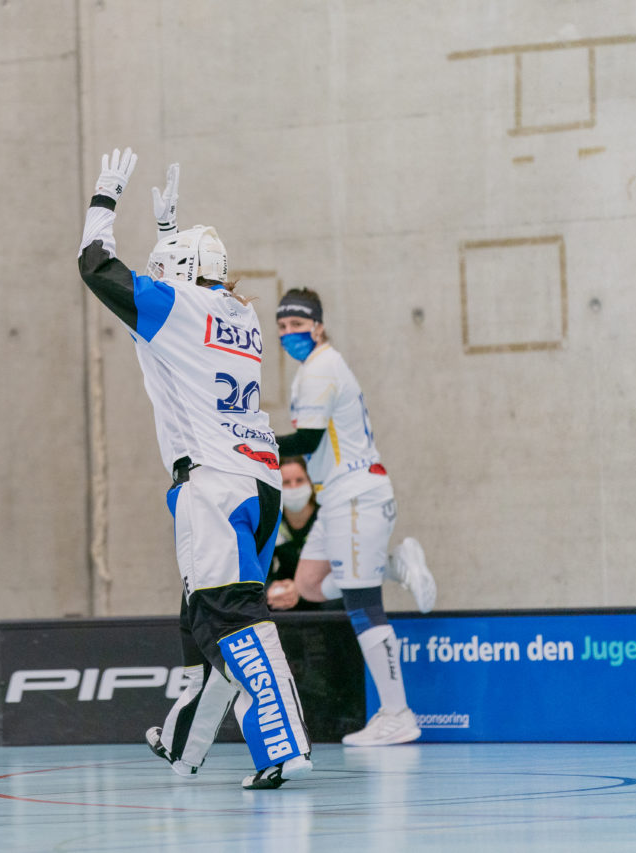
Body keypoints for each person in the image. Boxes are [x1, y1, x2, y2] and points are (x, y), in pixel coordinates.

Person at [78, 151, 311, 790]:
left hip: (214, 484)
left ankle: (283, 742)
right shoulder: (241, 314)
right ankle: (185, 745)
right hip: (258, 479)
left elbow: (96, 267)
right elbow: (178, 300)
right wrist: (168, 232)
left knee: (228, 616)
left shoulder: (175, 308)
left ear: (178, 274)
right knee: (202, 620)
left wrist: (105, 198)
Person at [273, 287, 435, 746]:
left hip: (357, 496)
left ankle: (398, 714)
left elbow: (305, 442)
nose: (289, 333)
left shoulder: (321, 369)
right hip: (335, 499)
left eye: (297, 324)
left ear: (318, 326)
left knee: (362, 605)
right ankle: (394, 564)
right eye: (282, 326)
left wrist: (248, 444)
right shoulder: (312, 369)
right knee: (309, 585)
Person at [265, 457, 330, 613]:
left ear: (310, 482)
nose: (293, 487)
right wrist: (269, 589)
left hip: (322, 592)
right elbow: (259, 568)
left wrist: (300, 589)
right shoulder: (270, 520)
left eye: (299, 480)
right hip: (284, 592)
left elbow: (338, 568)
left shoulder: (326, 516)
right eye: (286, 483)